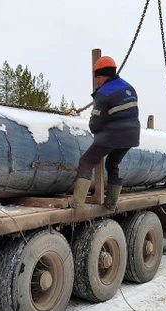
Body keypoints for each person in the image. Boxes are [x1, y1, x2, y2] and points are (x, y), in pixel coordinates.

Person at [70, 56, 140, 210]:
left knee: (87, 161)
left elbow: (96, 121)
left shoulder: (104, 92)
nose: (97, 81)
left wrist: (95, 130)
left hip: (113, 134)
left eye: (98, 78)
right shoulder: (129, 88)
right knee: (112, 163)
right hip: (132, 135)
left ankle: (77, 203)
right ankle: (111, 203)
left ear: (103, 74)